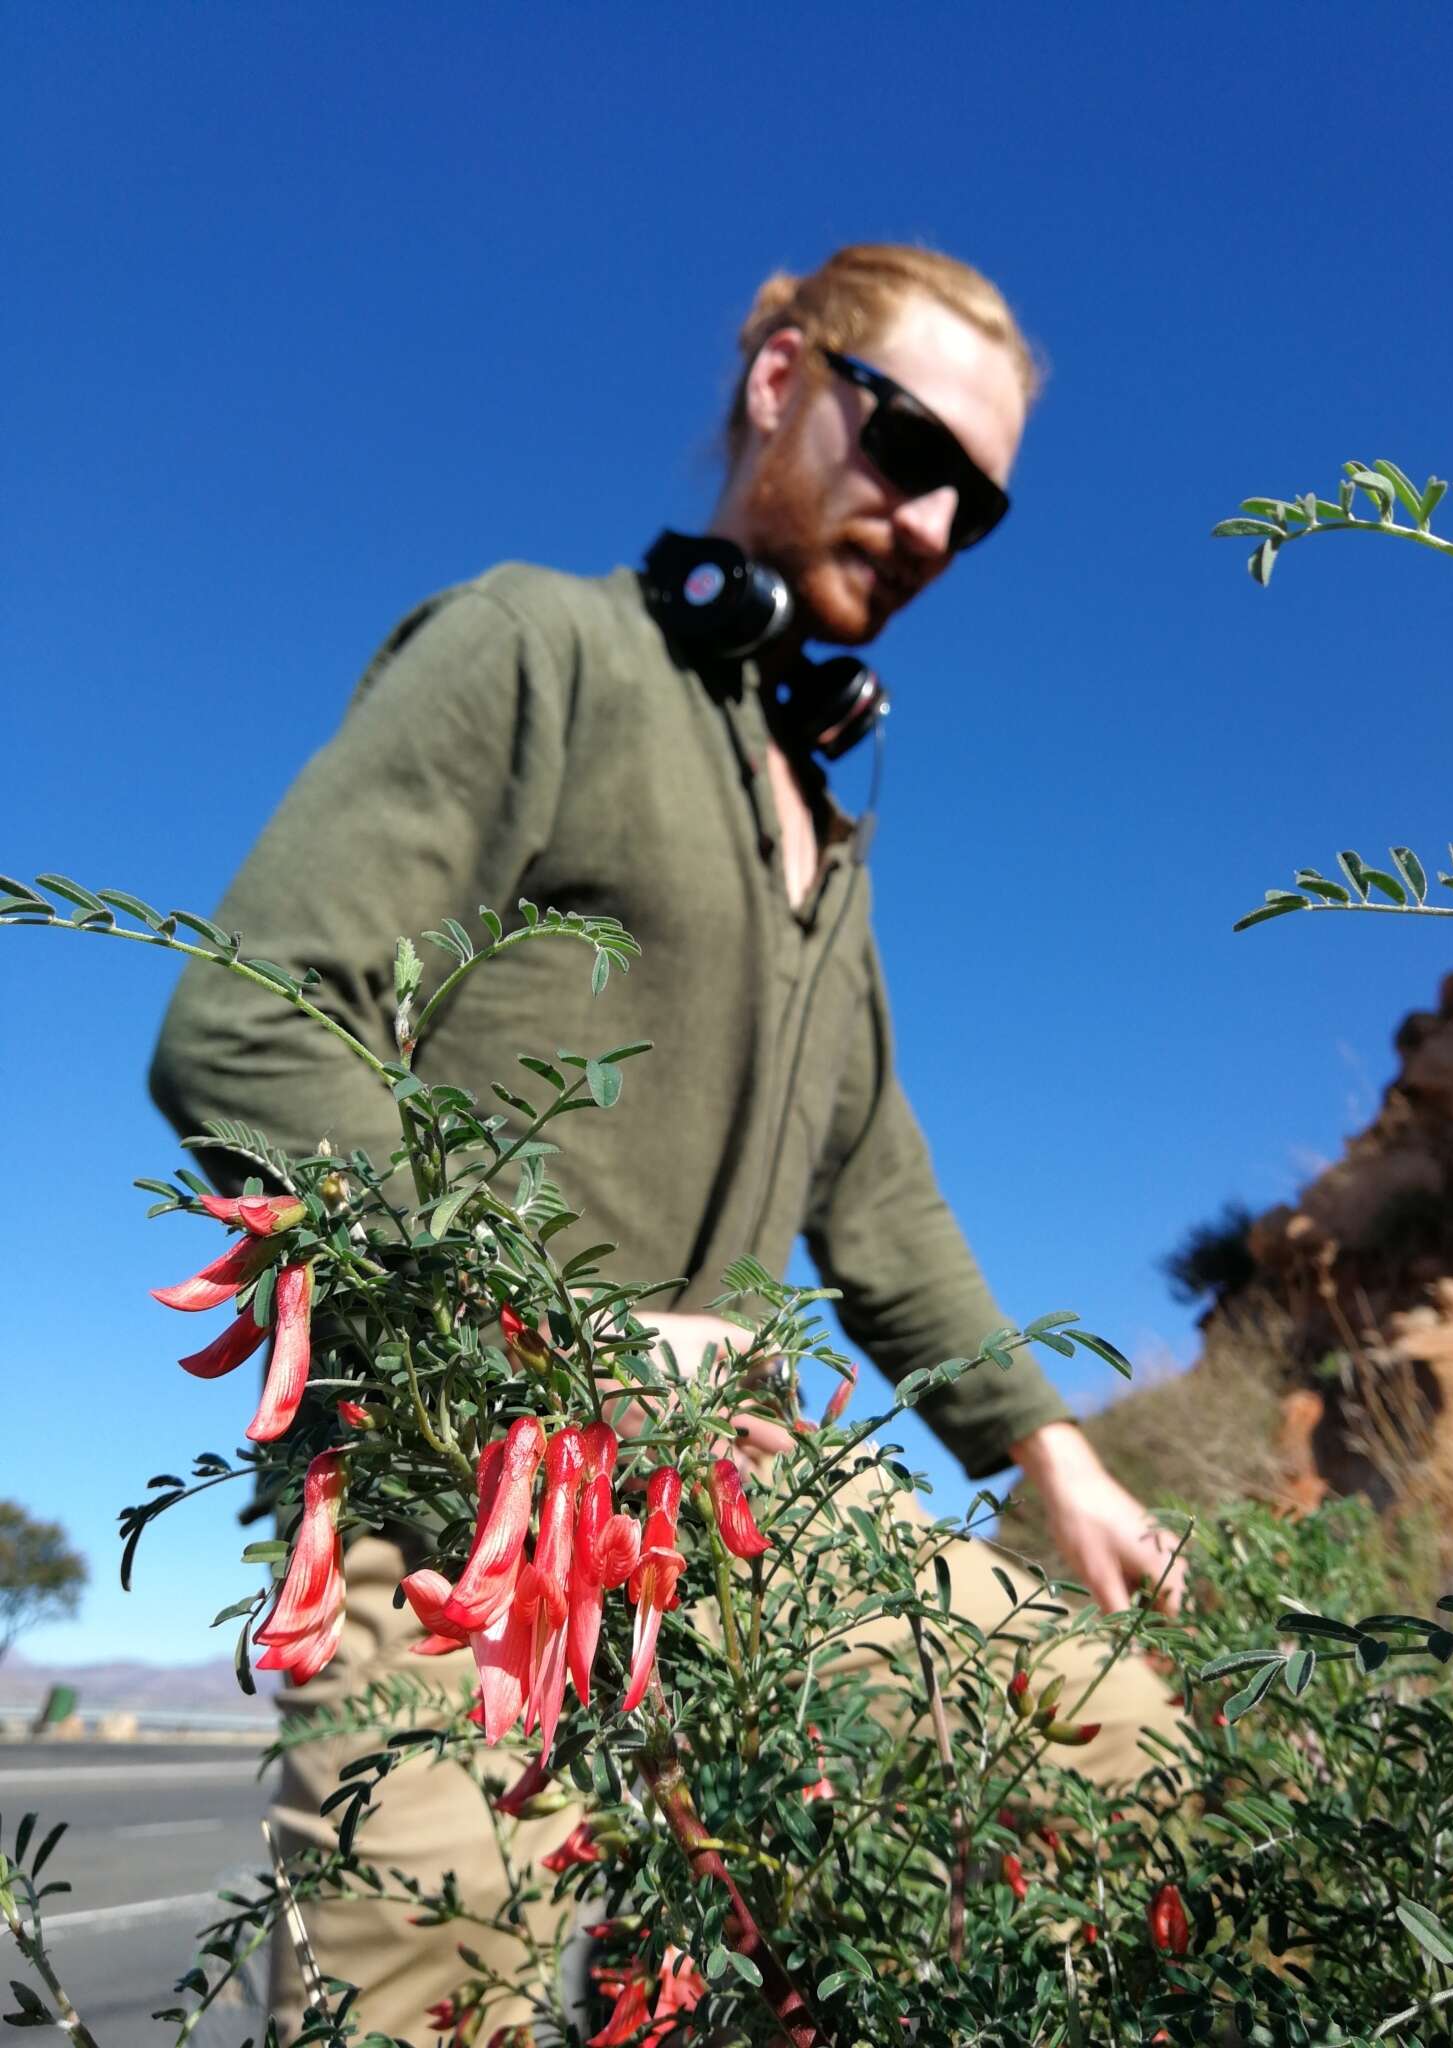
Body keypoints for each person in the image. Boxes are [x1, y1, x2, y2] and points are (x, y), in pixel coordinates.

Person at [151, 242, 1184, 2043]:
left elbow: (879, 1198)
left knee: (1125, 1742)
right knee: (415, 1995)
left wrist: (1049, 1448)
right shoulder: (538, 650)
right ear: (784, 379)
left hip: (734, 1499)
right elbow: (253, 1021)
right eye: (916, 448)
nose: (938, 524)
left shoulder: (825, 830)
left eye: (983, 508)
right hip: (455, 1490)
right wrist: (570, 1328)